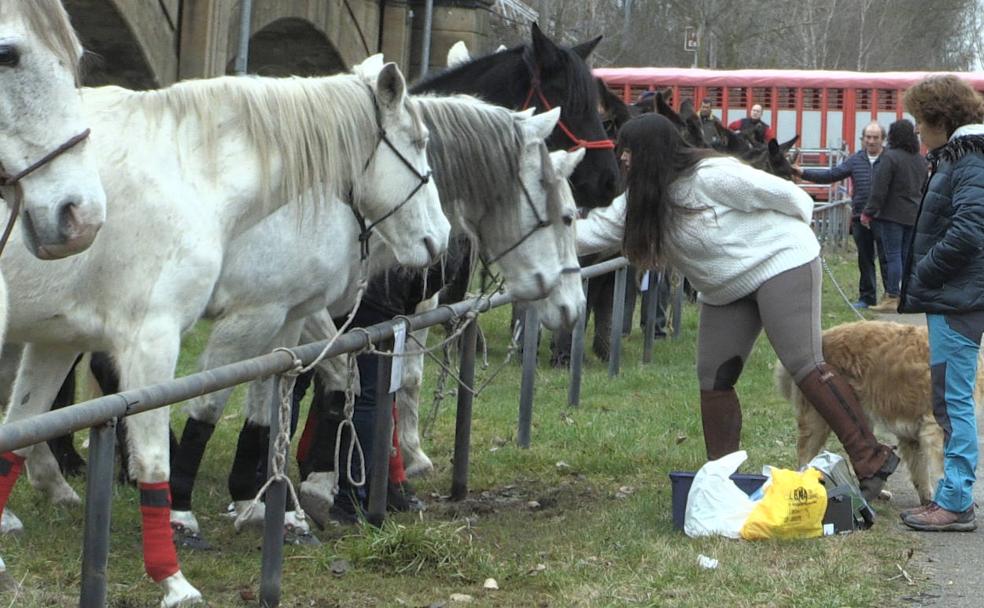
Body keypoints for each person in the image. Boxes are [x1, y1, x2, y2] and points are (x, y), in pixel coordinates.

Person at [576, 113, 899, 500]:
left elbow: (794, 198)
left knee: (803, 363)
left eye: (627, 151)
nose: (622, 159)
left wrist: (790, 242)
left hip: (781, 263)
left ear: (649, 152)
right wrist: (536, 230)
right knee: (713, 380)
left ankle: (871, 458)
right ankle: (720, 479)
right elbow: (590, 232)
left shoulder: (713, 175)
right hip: (726, 288)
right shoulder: (641, 200)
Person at [898, 75, 984, 532]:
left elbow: (970, 230)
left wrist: (924, 271)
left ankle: (955, 501)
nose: (915, 132)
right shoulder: (961, 157)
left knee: (952, 402)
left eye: (918, 121)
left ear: (940, 119)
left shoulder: (970, 159)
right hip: (956, 296)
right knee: (950, 397)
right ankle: (955, 496)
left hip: (957, 298)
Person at [793, 122, 889, 309]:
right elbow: (831, 175)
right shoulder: (855, 160)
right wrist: (803, 172)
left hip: (885, 217)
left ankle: (891, 297)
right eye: (867, 137)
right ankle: (867, 297)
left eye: (875, 137)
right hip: (860, 216)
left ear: (882, 140)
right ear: (863, 139)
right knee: (865, 259)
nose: (871, 141)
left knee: (888, 258)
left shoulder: (889, 159)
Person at [862, 119, 927, 312]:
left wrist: (868, 212)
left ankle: (892, 296)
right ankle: (906, 296)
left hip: (892, 215)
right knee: (907, 256)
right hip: (913, 214)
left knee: (893, 255)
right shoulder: (920, 160)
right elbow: (923, 187)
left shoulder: (890, 158)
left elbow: (880, 189)